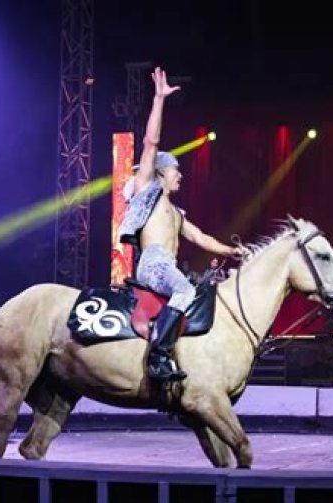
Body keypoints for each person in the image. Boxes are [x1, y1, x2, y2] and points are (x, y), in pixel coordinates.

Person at [117, 67, 243, 382]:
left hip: (167, 264)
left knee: (196, 292)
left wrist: (232, 251)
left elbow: (201, 238)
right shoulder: (148, 191)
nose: (181, 175)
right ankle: (158, 357)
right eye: (176, 170)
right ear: (161, 172)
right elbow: (151, 142)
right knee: (185, 290)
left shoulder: (175, 212)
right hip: (153, 263)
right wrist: (159, 99)